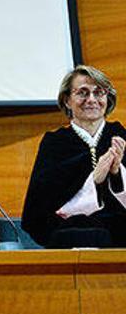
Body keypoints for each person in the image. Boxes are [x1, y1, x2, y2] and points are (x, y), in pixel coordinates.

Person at [21, 65, 126, 248]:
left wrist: (117, 174)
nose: (91, 100)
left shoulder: (121, 137)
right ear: (67, 100)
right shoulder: (55, 144)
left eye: (99, 92)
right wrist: (94, 182)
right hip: (68, 241)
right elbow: (36, 215)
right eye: (83, 93)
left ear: (107, 99)